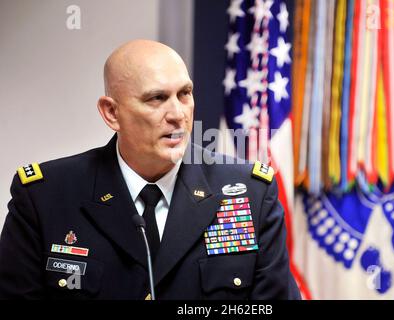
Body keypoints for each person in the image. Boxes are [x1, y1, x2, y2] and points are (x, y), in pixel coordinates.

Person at [0, 40, 301, 300]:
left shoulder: (249, 192)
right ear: (112, 112)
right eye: (156, 98)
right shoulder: (46, 197)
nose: (178, 115)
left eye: (185, 94)